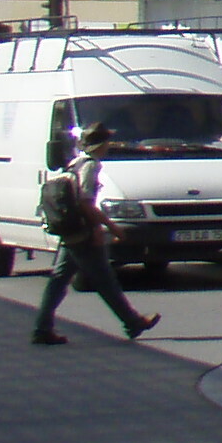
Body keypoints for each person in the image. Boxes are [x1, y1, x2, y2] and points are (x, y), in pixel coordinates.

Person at [30, 124, 158, 346]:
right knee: (105, 280)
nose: (110, 145)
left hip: (71, 232)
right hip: (83, 232)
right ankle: (133, 322)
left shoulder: (75, 163)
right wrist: (110, 227)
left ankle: (42, 328)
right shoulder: (90, 167)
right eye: (108, 142)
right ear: (101, 145)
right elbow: (86, 204)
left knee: (59, 280)